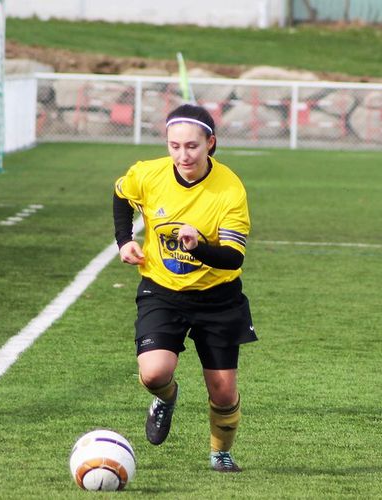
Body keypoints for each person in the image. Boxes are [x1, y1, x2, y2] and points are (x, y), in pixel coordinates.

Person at [113, 104, 256, 473]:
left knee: (222, 391)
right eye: (174, 146)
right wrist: (124, 240)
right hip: (162, 290)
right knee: (154, 373)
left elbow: (233, 257)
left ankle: (220, 453)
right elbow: (122, 195)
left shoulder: (229, 188)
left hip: (218, 298)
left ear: (211, 143)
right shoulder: (148, 174)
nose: (182, 155)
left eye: (191, 146)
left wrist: (199, 247)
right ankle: (166, 398)